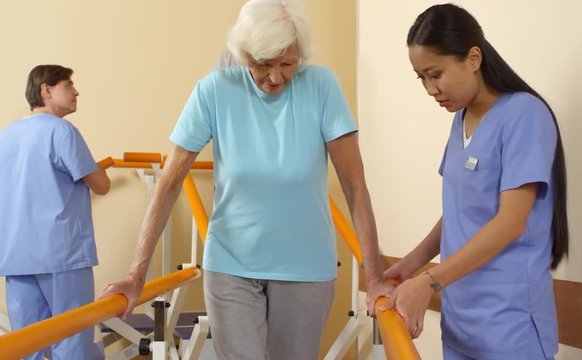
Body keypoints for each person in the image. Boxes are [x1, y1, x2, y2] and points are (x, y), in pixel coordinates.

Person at [100, 0, 390, 359]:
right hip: (231, 265)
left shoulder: (321, 86)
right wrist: (136, 275)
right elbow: (170, 183)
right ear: (242, 54)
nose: (276, 77)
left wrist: (374, 275)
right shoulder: (215, 90)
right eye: (262, 64)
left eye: (288, 63)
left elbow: (354, 186)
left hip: (305, 266)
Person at [380, 4, 569, 359]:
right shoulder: (461, 118)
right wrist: (412, 264)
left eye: (435, 74)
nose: (430, 89)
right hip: (462, 320)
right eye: (421, 78)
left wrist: (428, 282)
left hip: (509, 323)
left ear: (473, 58)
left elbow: (511, 223)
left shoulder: (524, 114)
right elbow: (459, 209)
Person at [0, 64, 110, 359]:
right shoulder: (63, 132)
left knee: (27, 344)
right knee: (72, 341)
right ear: (45, 90)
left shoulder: (6, 136)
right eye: (68, 85)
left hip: (17, 256)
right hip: (62, 255)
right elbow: (101, 185)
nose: (76, 92)